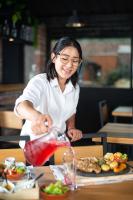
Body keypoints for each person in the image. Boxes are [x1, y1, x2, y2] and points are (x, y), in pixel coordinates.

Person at [14, 36, 83, 152]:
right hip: (34, 148)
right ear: (54, 57)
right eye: (65, 58)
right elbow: (21, 105)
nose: (70, 65)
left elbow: (72, 111)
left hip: (59, 148)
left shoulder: (75, 88)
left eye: (75, 60)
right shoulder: (40, 81)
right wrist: (37, 117)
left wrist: (71, 127)